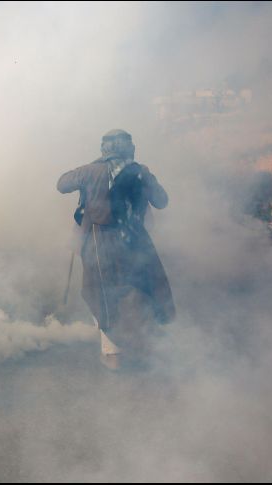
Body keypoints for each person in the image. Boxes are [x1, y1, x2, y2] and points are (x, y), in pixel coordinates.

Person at [57, 129, 175, 370]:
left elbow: (62, 184)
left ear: (104, 150)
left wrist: (90, 173)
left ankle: (113, 354)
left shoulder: (89, 171)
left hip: (99, 243)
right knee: (141, 290)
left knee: (102, 295)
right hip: (135, 242)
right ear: (129, 148)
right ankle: (143, 346)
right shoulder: (140, 171)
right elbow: (162, 201)